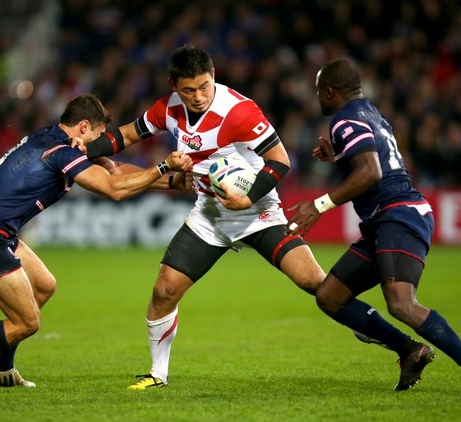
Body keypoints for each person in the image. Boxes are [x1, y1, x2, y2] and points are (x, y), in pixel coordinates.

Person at [80, 43, 329, 390]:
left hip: (258, 211)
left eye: (204, 86)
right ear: (173, 85)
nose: (198, 96)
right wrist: (80, 151)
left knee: (314, 283)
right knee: (165, 289)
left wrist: (248, 198)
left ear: (213, 76)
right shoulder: (168, 109)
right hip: (210, 214)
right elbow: (125, 135)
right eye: (188, 90)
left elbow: (281, 160)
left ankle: (383, 334)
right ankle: (157, 374)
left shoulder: (239, 111)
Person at [0, 93, 192, 392]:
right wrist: (163, 167)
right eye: (98, 135)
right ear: (83, 126)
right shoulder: (60, 151)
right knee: (27, 322)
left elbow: (114, 172)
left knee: (44, 286)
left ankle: (1, 369)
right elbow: (113, 189)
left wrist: (171, 183)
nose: (100, 142)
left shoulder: (51, 138)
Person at [286, 58, 461, 397]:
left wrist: (319, 204)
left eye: (318, 93)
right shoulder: (369, 112)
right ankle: (409, 350)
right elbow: (376, 163)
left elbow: (371, 173)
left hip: (398, 214)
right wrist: (339, 157)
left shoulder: (344, 120)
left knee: (401, 303)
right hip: (386, 219)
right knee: (330, 297)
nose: (317, 100)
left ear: (329, 92)